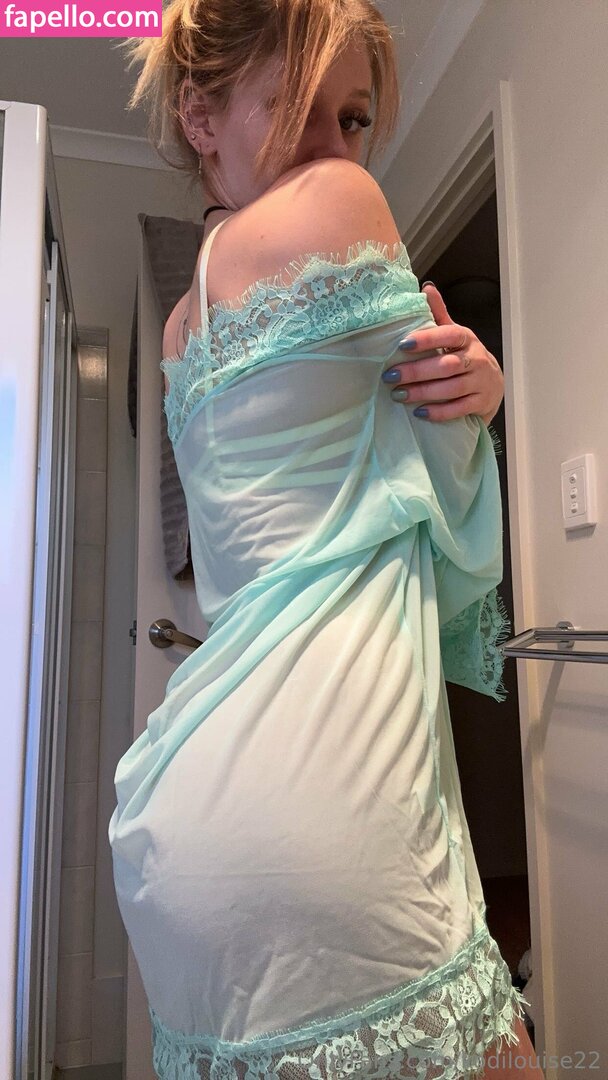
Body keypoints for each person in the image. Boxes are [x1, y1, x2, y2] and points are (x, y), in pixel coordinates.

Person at [109, 2, 544, 1077]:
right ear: (200, 117)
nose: (335, 153)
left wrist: (459, 400)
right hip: (332, 805)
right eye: (298, 109)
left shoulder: (180, 328)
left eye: (350, 120)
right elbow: (431, 486)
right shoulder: (340, 206)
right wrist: (480, 405)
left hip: (184, 819)